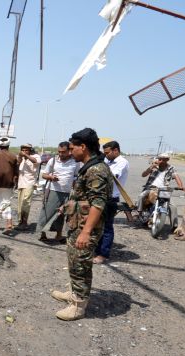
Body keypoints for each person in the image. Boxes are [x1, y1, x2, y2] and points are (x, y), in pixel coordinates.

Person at [51, 128, 112, 321]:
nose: (70, 152)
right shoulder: (89, 167)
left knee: (81, 265)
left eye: (72, 148)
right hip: (78, 223)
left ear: (83, 147)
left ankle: (78, 305)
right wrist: (68, 206)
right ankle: (74, 292)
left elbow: (98, 204)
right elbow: (84, 197)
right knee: (74, 262)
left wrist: (86, 232)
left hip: (86, 228)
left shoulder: (96, 170)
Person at [93, 140, 129, 264]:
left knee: (107, 227)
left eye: (107, 152)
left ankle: (103, 254)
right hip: (100, 196)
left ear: (116, 150)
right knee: (97, 225)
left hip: (111, 198)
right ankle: (97, 250)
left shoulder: (122, 162)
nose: (106, 155)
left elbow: (111, 176)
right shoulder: (107, 161)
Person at [37, 141, 80, 243]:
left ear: (69, 151)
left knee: (61, 215)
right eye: (59, 151)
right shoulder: (53, 161)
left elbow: (75, 178)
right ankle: (43, 234)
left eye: (63, 152)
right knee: (46, 212)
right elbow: (44, 175)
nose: (60, 154)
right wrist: (51, 177)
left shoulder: (75, 163)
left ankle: (59, 235)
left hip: (66, 193)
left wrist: (75, 193)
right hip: (52, 190)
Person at [16, 143, 41, 228]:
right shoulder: (22, 158)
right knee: (20, 203)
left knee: (26, 202)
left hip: (29, 183)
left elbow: (35, 161)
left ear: (30, 150)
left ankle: (24, 221)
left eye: (26, 150)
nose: (24, 151)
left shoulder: (36, 156)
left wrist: (26, 156)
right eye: (23, 150)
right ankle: (20, 221)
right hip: (21, 183)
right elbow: (17, 164)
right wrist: (20, 157)